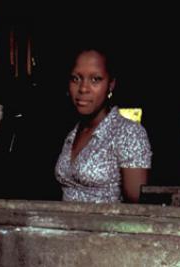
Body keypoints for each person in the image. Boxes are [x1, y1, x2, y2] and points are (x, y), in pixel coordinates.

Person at [55, 46, 152, 203]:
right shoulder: (73, 132)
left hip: (105, 226)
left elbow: (137, 209)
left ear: (111, 85)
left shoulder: (128, 133)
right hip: (63, 224)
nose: (83, 88)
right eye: (76, 78)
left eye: (95, 79)